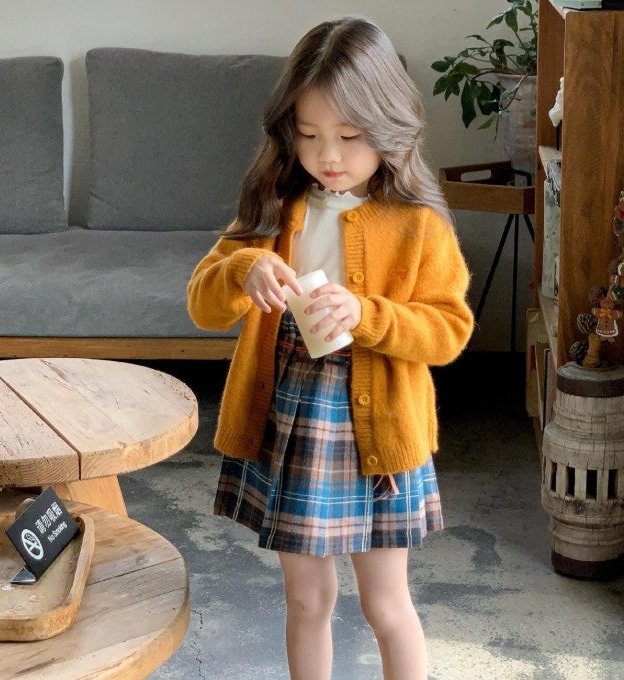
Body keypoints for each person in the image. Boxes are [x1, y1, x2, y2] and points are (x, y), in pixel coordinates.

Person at [187, 16, 474, 680]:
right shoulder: (274, 205)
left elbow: (448, 330)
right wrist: (243, 270)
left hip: (378, 430)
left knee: (385, 603)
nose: (328, 155)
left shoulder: (417, 224)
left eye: (349, 136)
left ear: (389, 126)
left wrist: (368, 315)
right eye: (308, 134)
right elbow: (203, 302)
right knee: (306, 599)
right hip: (293, 418)